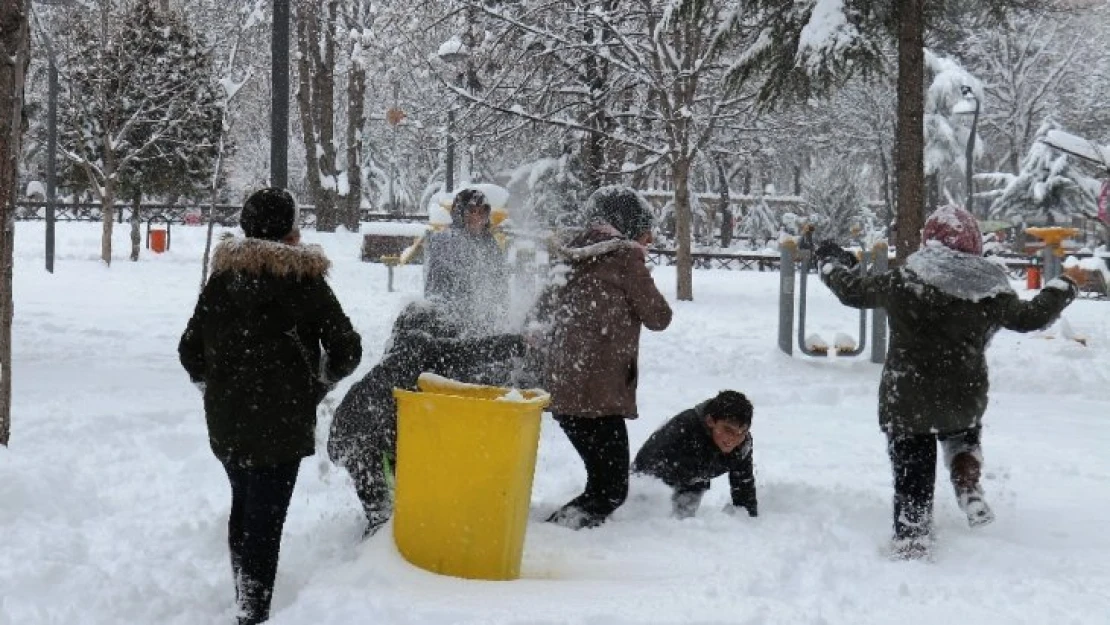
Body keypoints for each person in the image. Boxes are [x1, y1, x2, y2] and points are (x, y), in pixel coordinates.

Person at [814, 204, 1080, 560]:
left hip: (907, 399)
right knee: (961, 436)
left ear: (929, 242)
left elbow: (851, 291)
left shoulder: (903, 280)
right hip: (962, 396)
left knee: (913, 474)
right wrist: (1062, 287)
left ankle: (913, 538)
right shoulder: (988, 288)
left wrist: (831, 264)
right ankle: (966, 481)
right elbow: (1030, 318)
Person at [179, 188, 362, 624]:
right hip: (281, 423)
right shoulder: (305, 283)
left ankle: (246, 595)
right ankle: (253, 611)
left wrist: (217, 389)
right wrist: (316, 384)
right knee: (265, 518)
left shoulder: (222, 280)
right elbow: (347, 349)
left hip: (227, 423)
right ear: (289, 229)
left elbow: (190, 351)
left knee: (244, 506)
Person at [530, 185, 673, 530]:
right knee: (610, 489)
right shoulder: (625, 257)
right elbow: (659, 317)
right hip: (600, 395)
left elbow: (538, 315)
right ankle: (555, 535)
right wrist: (639, 272)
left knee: (603, 485)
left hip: (565, 390)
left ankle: (562, 533)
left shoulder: (567, 255)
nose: (649, 238)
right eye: (644, 228)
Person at [327, 301, 525, 536]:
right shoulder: (422, 346)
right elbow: (466, 352)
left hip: (347, 430)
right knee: (389, 498)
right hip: (365, 430)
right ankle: (386, 533)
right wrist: (516, 343)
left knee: (376, 479)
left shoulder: (398, 352)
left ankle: (382, 524)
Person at [632, 391, 758, 519]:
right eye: (728, 430)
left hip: (694, 482)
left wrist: (749, 521)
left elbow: (743, 486)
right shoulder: (681, 431)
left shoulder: (742, 445)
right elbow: (646, 475)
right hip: (653, 484)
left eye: (741, 432)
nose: (733, 439)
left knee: (685, 523)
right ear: (710, 421)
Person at [424, 188, 509, 335]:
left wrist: (498, 315)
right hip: (452, 326)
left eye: (482, 212)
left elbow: (500, 285)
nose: (477, 217)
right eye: (471, 211)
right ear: (460, 213)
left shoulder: (489, 243)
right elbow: (437, 292)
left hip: (485, 325)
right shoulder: (446, 242)